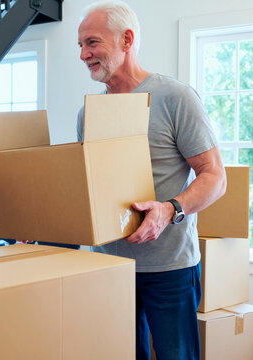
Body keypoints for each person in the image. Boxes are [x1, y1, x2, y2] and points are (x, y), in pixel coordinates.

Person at [76, 1, 226, 359]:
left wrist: (169, 209)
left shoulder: (176, 98)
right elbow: (90, 184)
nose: (84, 54)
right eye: (80, 46)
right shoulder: (89, 112)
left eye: (92, 43)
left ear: (127, 39)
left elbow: (215, 177)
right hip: (109, 265)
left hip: (169, 269)